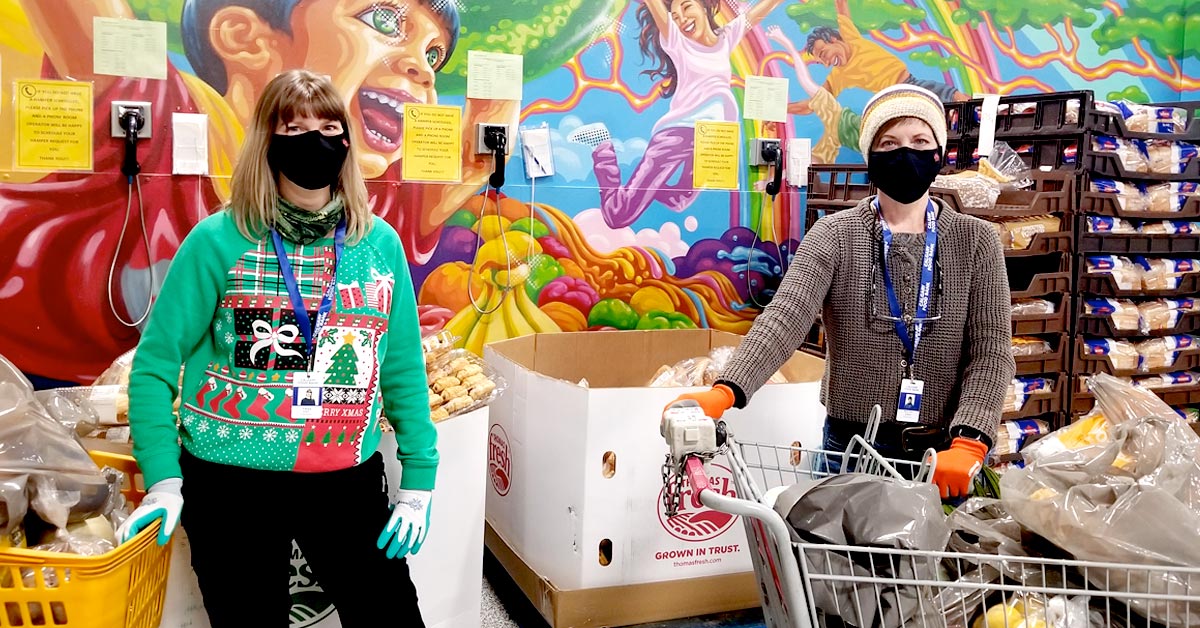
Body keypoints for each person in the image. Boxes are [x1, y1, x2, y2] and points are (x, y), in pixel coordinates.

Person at [1, 0, 513, 385]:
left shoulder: (371, 222)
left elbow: (477, 157)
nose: (423, 69)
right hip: (66, 400)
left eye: (434, 55)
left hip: (309, 450)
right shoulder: (167, 121)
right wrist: (165, 480)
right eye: (382, 21)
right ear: (245, 37)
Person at [116, 70, 437, 627]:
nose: (314, 140)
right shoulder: (219, 240)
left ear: (346, 141)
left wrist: (419, 480)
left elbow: (402, 368)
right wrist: (163, 479)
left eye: (329, 126)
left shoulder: (378, 244)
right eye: (294, 127)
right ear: (267, 141)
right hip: (229, 485)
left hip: (343, 479)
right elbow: (155, 367)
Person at [667, 85, 1013, 499]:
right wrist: (726, 390)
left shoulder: (975, 242)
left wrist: (972, 439)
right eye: (890, 142)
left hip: (943, 458)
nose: (906, 153)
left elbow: (992, 352)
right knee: (839, 563)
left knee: (931, 566)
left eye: (920, 141)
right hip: (850, 451)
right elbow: (785, 317)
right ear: (870, 157)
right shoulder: (835, 234)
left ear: (938, 153)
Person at [571, 0, 785, 229]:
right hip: (677, 135)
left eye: (687, 7)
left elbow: (756, 14)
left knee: (679, 200)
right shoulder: (677, 42)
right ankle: (602, 146)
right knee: (617, 216)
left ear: (704, 6)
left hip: (713, 138)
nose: (681, 19)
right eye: (674, 15)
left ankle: (644, 188)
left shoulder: (725, 38)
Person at [788, 0, 968, 119]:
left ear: (834, 40)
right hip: (894, 100)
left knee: (957, 98)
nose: (826, 63)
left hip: (912, 84)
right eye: (821, 61)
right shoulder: (838, 77)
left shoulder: (850, 36)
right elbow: (812, 105)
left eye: (824, 54)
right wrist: (782, 109)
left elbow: (841, 4)